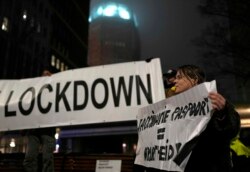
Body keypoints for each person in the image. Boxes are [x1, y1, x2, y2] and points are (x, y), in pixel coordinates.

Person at [134, 64, 240, 172]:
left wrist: (223, 113)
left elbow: (230, 131)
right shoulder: (172, 107)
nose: (175, 81)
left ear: (194, 80)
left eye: (179, 77)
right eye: (175, 78)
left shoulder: (212, 102)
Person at [23, 69, 56, 172]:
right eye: (44, 74)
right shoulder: (33, 89)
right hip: (34, 128)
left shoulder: (56, 89)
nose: (45, 76)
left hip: (48, 128)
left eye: (48, 74)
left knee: (47, 158)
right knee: (29, 157)